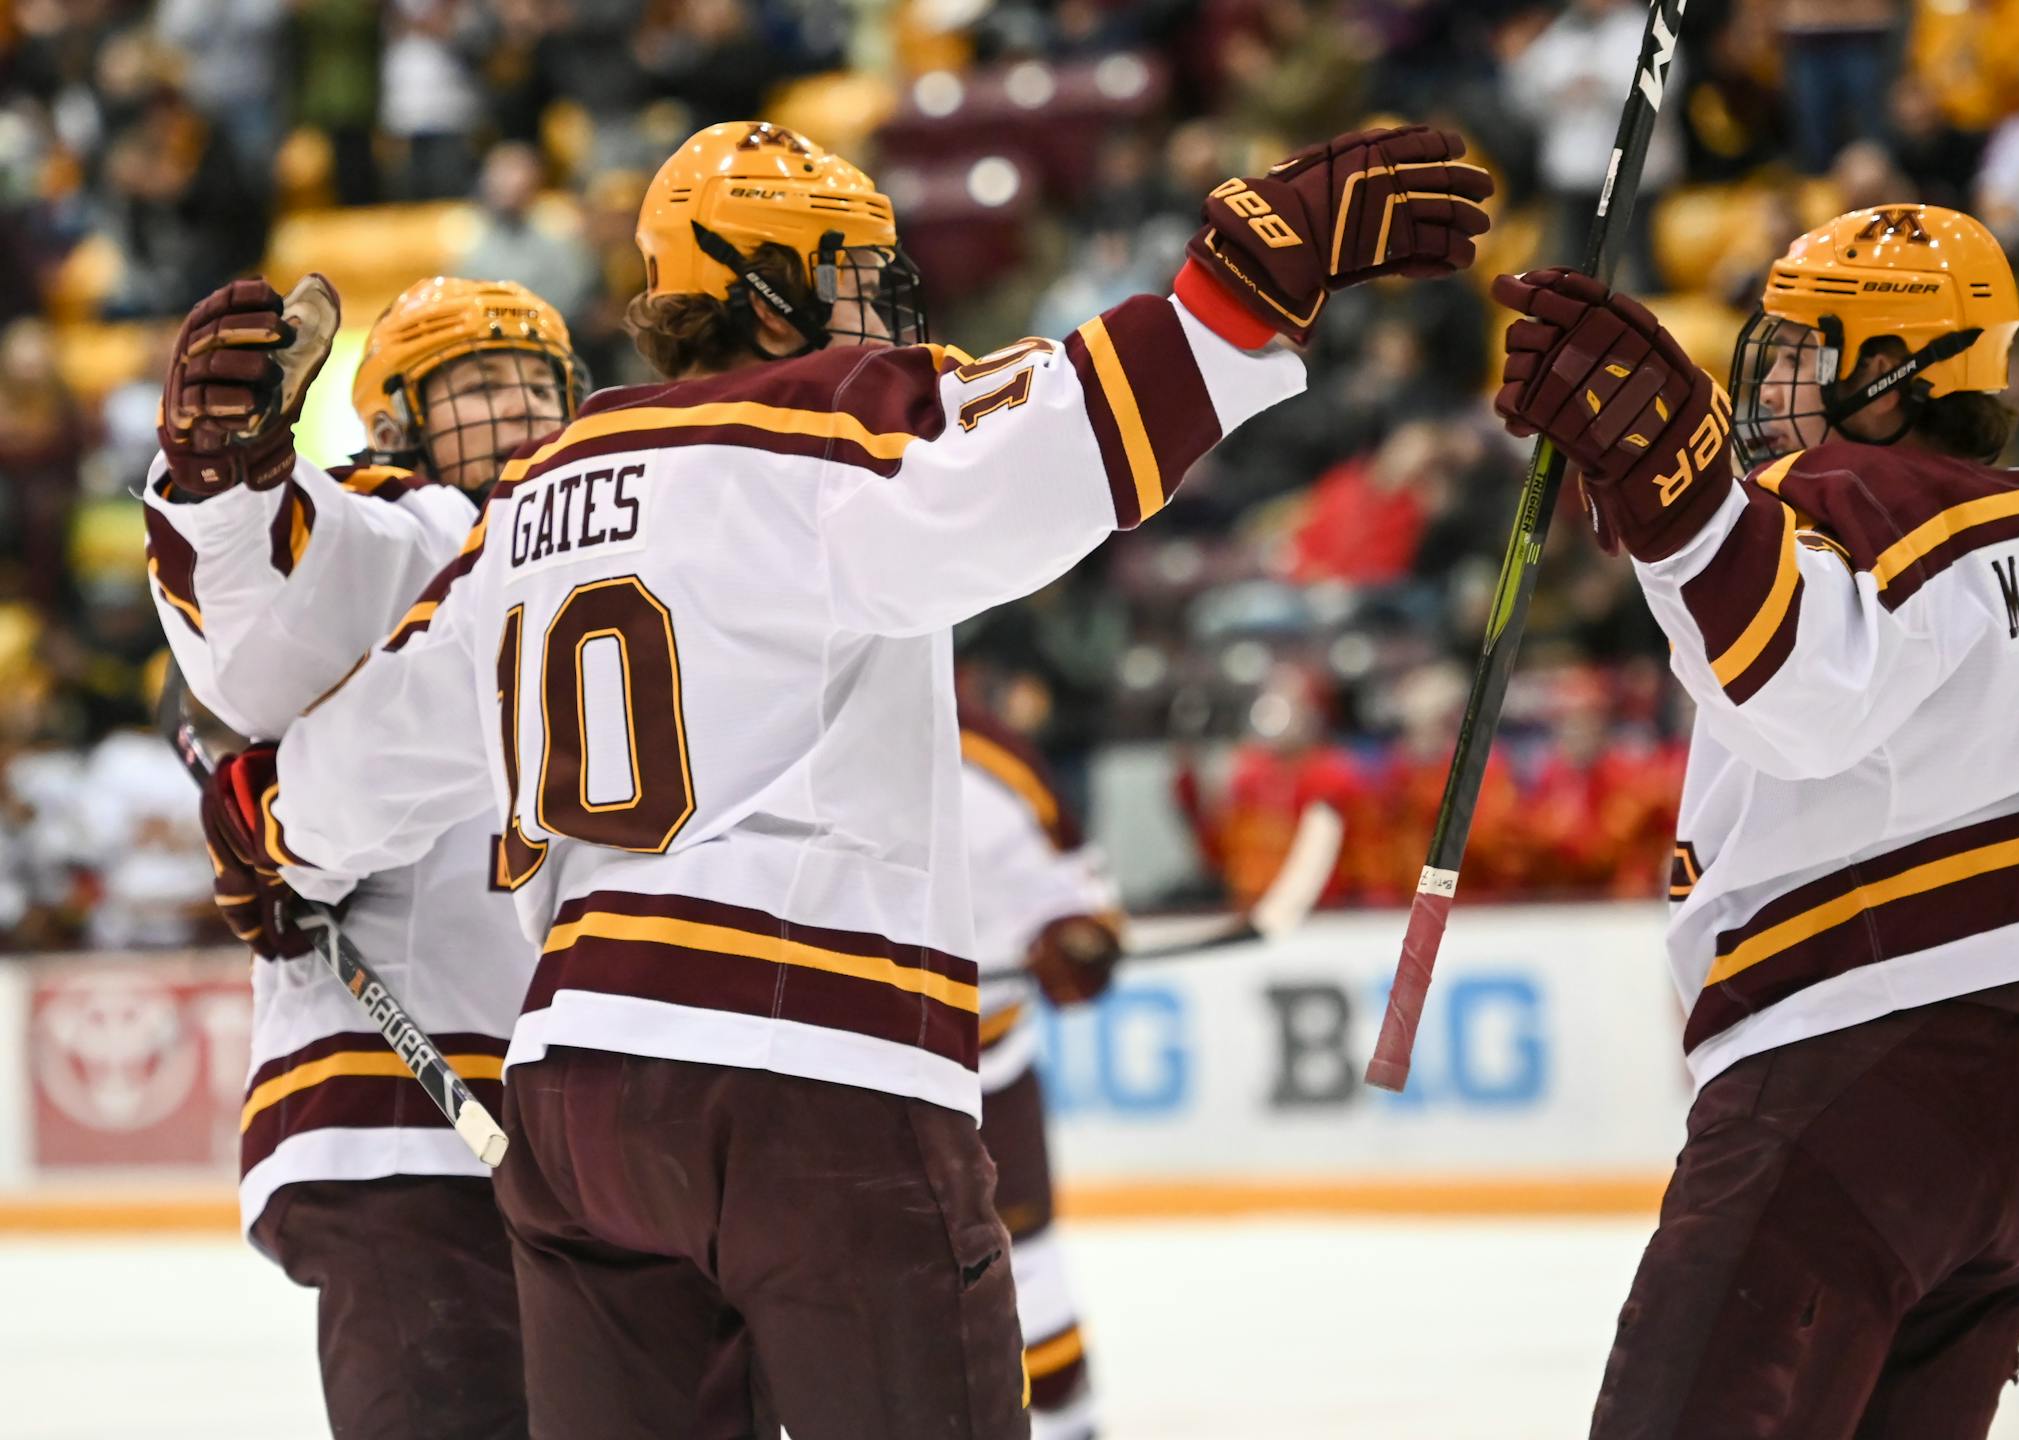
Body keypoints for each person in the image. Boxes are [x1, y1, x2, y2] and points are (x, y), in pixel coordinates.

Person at [190, 118, 1491, 1437]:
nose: (882, 299)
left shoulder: (533, 494)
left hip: (576, 1102)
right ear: (764, 286)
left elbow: (384, 737)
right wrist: (1233, 298)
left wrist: (274, 837)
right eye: (851, 266)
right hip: (807, 1080)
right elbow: (1059, 438)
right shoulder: (830, 419)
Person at [1487, 205, 2019, 1436]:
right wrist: (1672, 516)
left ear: (1895, 375)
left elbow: (1803, 691)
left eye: (1806, 347)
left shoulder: (1856, 485)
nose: (1773, 376)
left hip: (1862, 1079)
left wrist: (1679, 502)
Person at [147, 272, 583, 1439]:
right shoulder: (413, 527)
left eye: (540, 381)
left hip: (603, 1133)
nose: (525, 408)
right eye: (484, 382)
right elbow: (265, 623)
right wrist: (227, 481)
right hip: (406, 1120)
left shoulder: (617, 543)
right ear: (395, 422)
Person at [958, 699, 1123, 1439]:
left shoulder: (987, 752)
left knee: (1027, 1261)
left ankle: (1069, 1420)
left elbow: (1076, 897)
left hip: (984, 1062)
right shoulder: (767, 719)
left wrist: (1077, 940)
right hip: (834, 1071)